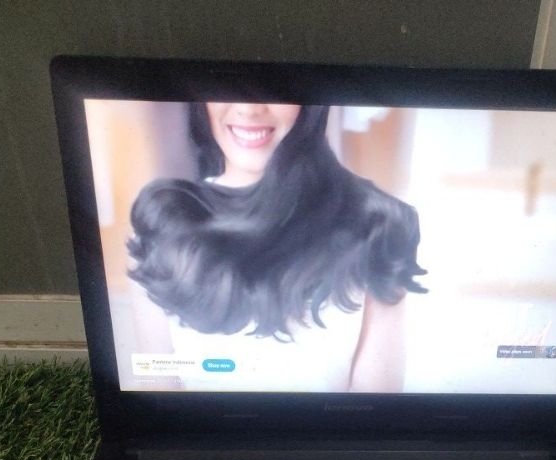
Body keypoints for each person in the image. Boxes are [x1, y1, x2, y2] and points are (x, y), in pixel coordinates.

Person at [126, 102, 426, 392]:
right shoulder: (160, 223)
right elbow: (158, 386)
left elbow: (373, 407)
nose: (249, 109)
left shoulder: (379, 225)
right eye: (226, 85)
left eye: (274, 87)